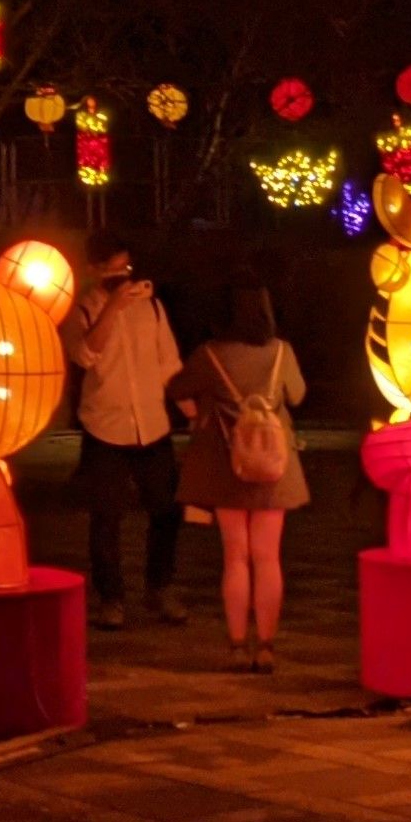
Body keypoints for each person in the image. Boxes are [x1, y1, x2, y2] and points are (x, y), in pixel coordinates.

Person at [175, 283, 307, 669]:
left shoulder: (210, 354)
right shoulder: (282, 351)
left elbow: (177, 388)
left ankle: (236, 645)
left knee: (235, 557)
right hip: (273, 466)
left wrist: (200, 412)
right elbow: (296, 395)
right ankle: (265, 646)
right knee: (268, 557)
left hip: (225, 465)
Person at [66, 246, 187, 627]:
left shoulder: (152, 307)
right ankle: (111, 598)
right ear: (95, 269)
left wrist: (192, 411)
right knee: (106, 517)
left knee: (167, 509)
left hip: (151, 424)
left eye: (127, 268)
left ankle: (160, 587)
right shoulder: (83, 309)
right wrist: (113, 307)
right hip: (105, 424)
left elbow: (169, 364)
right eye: (113, 268)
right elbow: (85, 355)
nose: (123, 276)